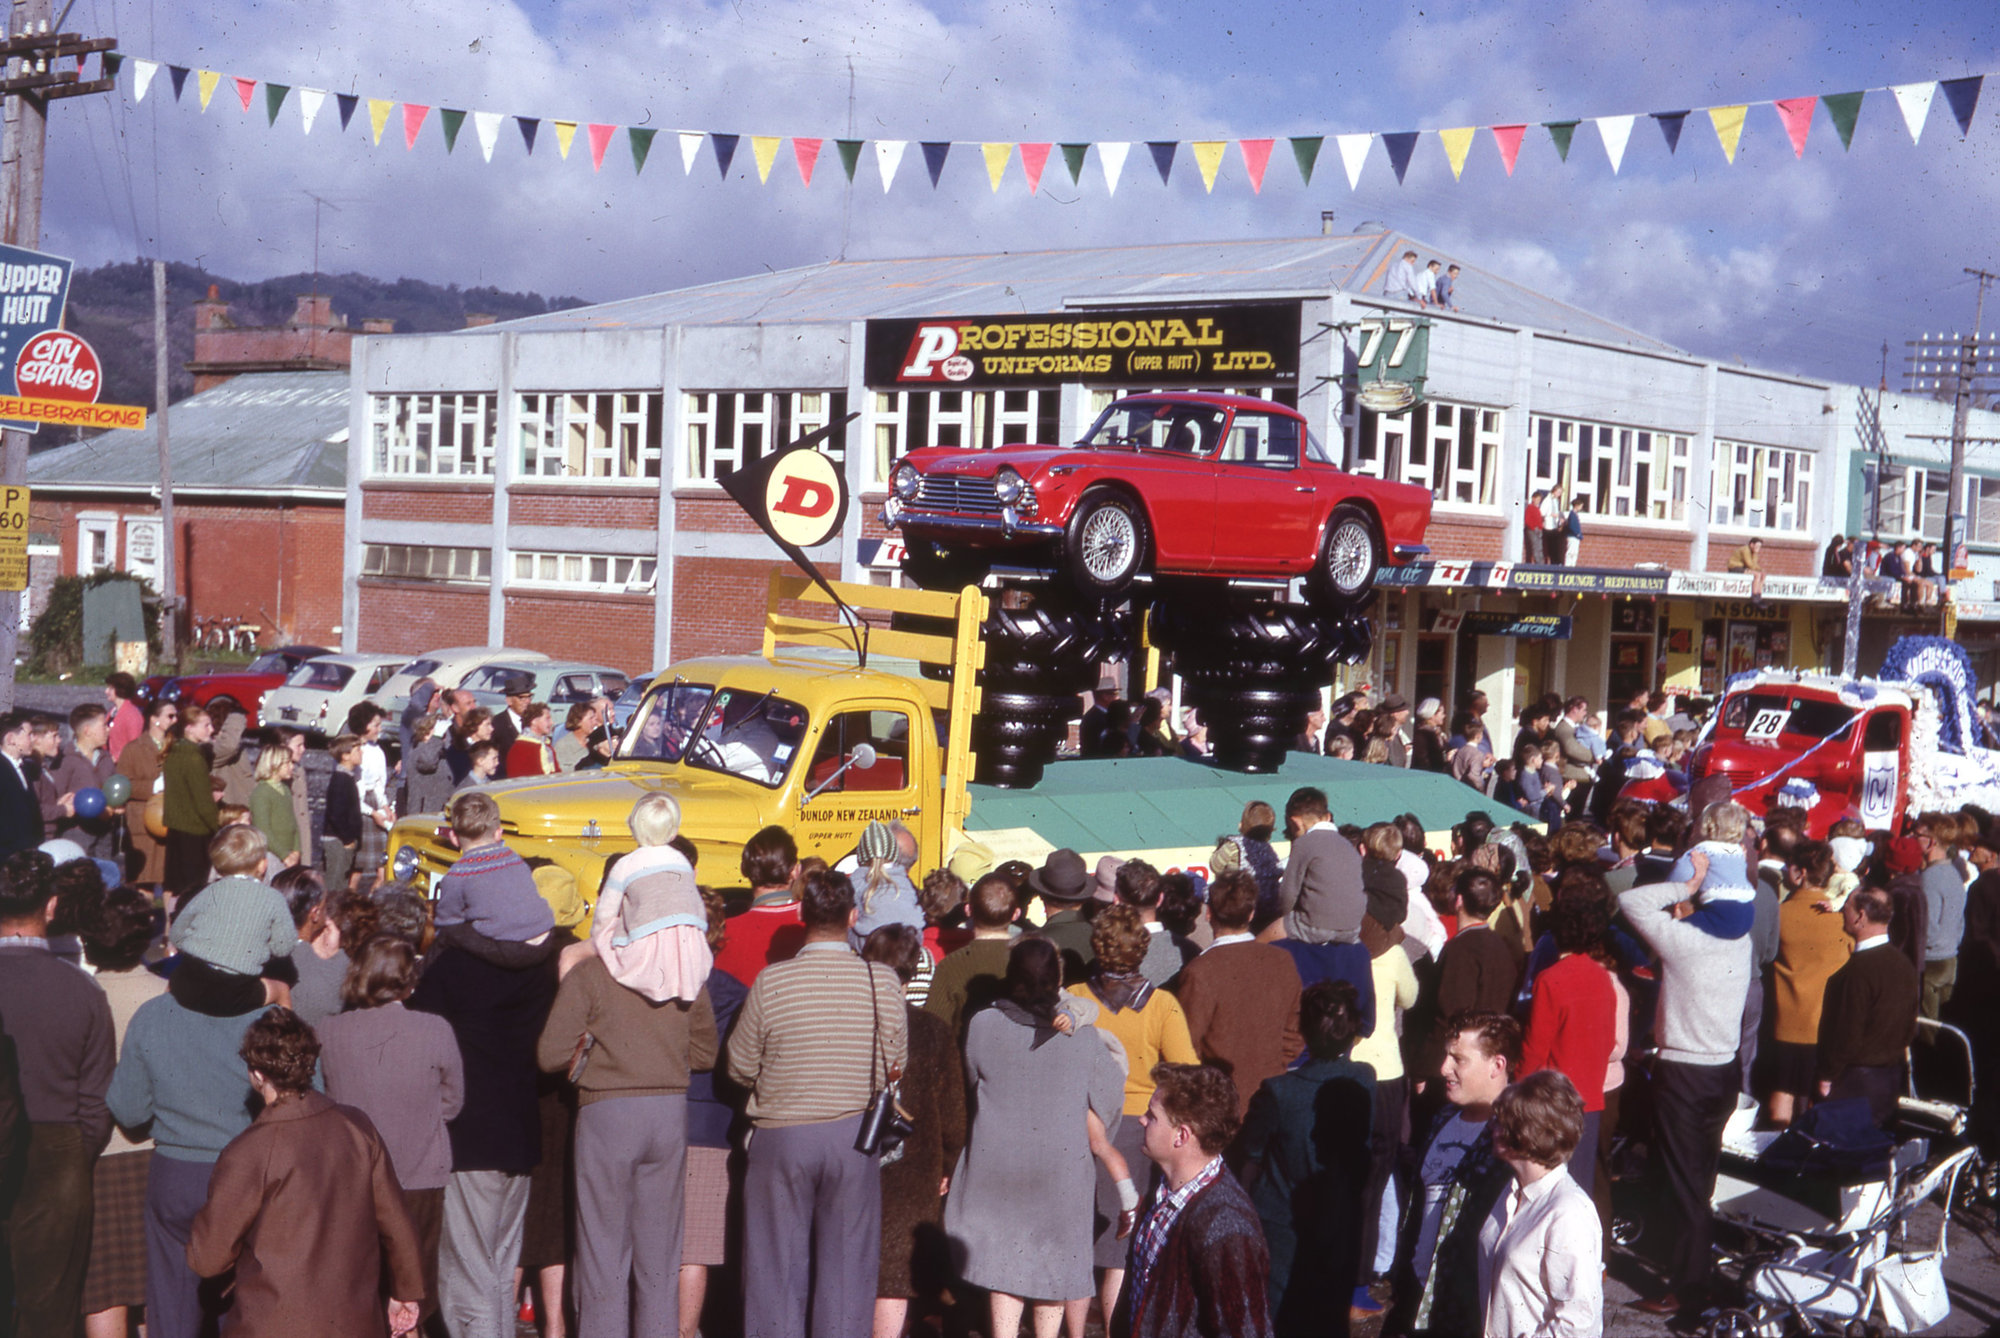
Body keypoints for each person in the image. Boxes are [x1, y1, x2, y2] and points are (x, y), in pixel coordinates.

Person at [538, 827, 719, 1338]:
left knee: (602, 1254)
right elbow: (705, 1053)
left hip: (604, 1115)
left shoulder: (593, 977)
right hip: (668, 1116)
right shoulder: (689, 973)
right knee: (660, 1256)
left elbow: (550, 1055)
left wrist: (594, 1055)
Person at [727, 867, 907, 1338]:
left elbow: (739, 1065)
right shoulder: (882, 982)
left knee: (773, 1268)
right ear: (852, 917)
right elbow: (896, 1063)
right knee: (848, 1271)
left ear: (804, 916)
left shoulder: (771, 982)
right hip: (854, 1137)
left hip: (781, 1135)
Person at [188, 1007, 426, 1337]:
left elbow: (207, 1259)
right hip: (353, 1324)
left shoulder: (248, 1150)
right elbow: (397, 1221)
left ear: (257, 1074)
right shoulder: (356, 1126)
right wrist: (406, 1292)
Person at [408, 850, 562, 1338]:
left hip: (469, 1138)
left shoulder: (451, 971)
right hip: (520, 1135)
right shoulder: (540, 968)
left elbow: (417, 1035)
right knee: (498, 1273)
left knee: (468, 1274)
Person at [944, 935, 1124, 1338]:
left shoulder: (983, 1025)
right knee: (1052, 1272)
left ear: (1011, 978)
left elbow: (972, 1083)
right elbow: (1109, 1100)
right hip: (1061, 1170)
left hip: (997, 1165)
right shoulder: (1083, 1036)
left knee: (1004, 1271)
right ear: (1058, 979)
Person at [1620, 863, 1753, 1319]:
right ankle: (1697, 1273)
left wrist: (1686, 884)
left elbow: (1630, 901)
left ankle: (1688, 1287)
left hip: (1685, 1072)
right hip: (1724, 1070)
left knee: (1683, 1185)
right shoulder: (1742, 938)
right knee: (1699, 1180)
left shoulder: (1684, 942)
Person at [318, 935, 465, 1322]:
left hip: (355, 1178)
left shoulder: (328, 1032)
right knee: (414, 1291)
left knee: (360, 1286)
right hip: (419, 1176)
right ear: (408, 981)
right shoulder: (435, 1030)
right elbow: (453, 1100)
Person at [0, 851, 114, 1335]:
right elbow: (97, 1100)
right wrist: (71, 1155)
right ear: (51, 907)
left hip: (51, 1150)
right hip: (58, 1157)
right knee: (47, 1313)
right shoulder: (82, 991)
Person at [1070, 904, 1201, 1320]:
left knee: (1076, 1246)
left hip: (1078, 1123)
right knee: (1119, 1252)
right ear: (1142, 950)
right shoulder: (1163, 1005)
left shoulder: (1073, 996)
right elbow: (1186, 1073)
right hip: (1135, 1131)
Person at [1238, 980, 1374, 1337]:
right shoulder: (1364, 1079)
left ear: (1304, 1031)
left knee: (1281, 1317)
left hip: (1281, 1226)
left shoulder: (1279, 1092)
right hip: (1341, 1222)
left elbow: (1250, 1158)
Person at [1110, 1063, 1273, 1338]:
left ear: (1181, 1136)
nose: (1141, 1119)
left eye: (1152, 1115)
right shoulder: (1162, 1189)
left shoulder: (1226, 1225)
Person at [861, 924, 969, 1338]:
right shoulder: (934, 1030)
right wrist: (947, 1161)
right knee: (894, 1273)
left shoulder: (849, 1021)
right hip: (915, 1166)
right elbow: (952, 1112)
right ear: (911, 972)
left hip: (852, 1158)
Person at [1391, 1012, 1519, 1338]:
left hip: (1464, 1315)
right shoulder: (1443, 1116)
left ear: (1497, 1065)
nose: (1443, 1068)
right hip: (1415, 1297)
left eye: (1458, 1059)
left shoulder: (1515, 1140)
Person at [1476, 1070, 1602, 1338]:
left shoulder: (1568, 1213)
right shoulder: (1510, 1192)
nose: (1492, 1127)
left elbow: (1579, 1324)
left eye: (1501, 1121)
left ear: (1527, 1131)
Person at [1175, 870, 1303, 1118]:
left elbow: (1186, 1047)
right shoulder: (1282, 960)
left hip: (1218, 1107)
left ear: (1209, 913)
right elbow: (1295, 1033)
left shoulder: (1199, 971)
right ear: (1251, 913)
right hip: (1270, 1099)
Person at [1518, 877, 1617, 1194]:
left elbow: (1534, 1049)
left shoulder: (1549, 980)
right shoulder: (1603, 978)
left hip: (1553, 1104)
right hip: (1590, 1101)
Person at [1817, 886, 1922, 1128]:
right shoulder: (1904, 965)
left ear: (1860, 916)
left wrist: (1826, 1076)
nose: (1842, 912)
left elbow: (1845, 1036)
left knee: (1844, 1158)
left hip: (1853, 1084)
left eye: (1846, 908)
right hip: (1890, 1079)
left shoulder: (1856, 974)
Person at [168, 823, 297, 977]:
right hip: (242, 982)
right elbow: (284, 947)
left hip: (198, 974)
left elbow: (176, 933)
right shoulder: (272, 898)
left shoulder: (209, 892)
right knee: (281, 991)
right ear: (263, 866)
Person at [432, 790, 557, 945]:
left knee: (448, 937)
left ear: (453, 838)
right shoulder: (515, 858)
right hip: (545, 936)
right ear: (499, 834)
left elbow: (447, 921)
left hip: (507, 947)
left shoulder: (458, 875)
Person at [923, 871, 1020, 1040]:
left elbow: (933, 1030)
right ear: (1016, 914)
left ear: (967, 910)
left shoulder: (950, 966)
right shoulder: (1031, 960)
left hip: (964, 1061)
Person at [1273, 786, 1365, 944]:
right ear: (1328, 817)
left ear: (1294, 822)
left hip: (1315, 926)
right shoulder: (1346, 844)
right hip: (1352, 927)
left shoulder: (1304, 843)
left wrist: (1285, 916)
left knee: (1261, 942)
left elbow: (1288, 894)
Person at [115, 699, 176, 886]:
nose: (175, 720)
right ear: (154, 719)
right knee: (143, 882)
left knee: (170, 882)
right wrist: (153, 787)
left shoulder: (176, 746)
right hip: (142, 825)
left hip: (170, 823)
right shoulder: (133, 749)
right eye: (170, 716)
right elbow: (123, 785)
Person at [1917, 811, 1967, 1020]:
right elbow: (1959, 922)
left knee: (1928, 1031)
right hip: (1949, 959)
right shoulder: (1953, 873)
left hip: (1931, 964)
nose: (1912, 840)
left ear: (1930, 843)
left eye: (1916, 835)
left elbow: (1927, 928)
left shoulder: (1930, 878)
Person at [248, 736, 303, 866]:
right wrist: (284, 855)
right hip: (271, 854)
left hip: (289, 854)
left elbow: (293, 824)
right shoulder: (262, 793)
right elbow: (263, 829)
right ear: (274, 764)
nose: (292, 767)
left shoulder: (285, 789)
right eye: (288, 763)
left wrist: (296, 850)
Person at [1729, 535, 1767, 601]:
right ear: (1752, 545)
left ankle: (1759, 594)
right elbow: (1749, 564)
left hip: (1743, 567)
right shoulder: (1745, 550)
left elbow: (1754, 564)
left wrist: (1761, 570)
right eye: (1757, 546)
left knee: (1763, 575)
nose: (1758, 548)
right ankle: (1754, 595)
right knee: (1757, 575)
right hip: (1735, 567)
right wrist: (1758, 570)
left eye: (1759, 547)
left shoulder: (1754, 553)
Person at [1523, 491, 1547, 563]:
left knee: (1539, 548)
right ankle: (1538, 564)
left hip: (1538, 530)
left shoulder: (1537, 509)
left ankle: (1540, 563)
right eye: (1537, 499)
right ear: (1533, 498)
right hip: (1532, 530)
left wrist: (1540, 527)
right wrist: (1534, 528)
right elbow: (1527, 520)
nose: (1538, 501)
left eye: (1539, 500)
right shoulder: (1530, 508)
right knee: (1535, 548)